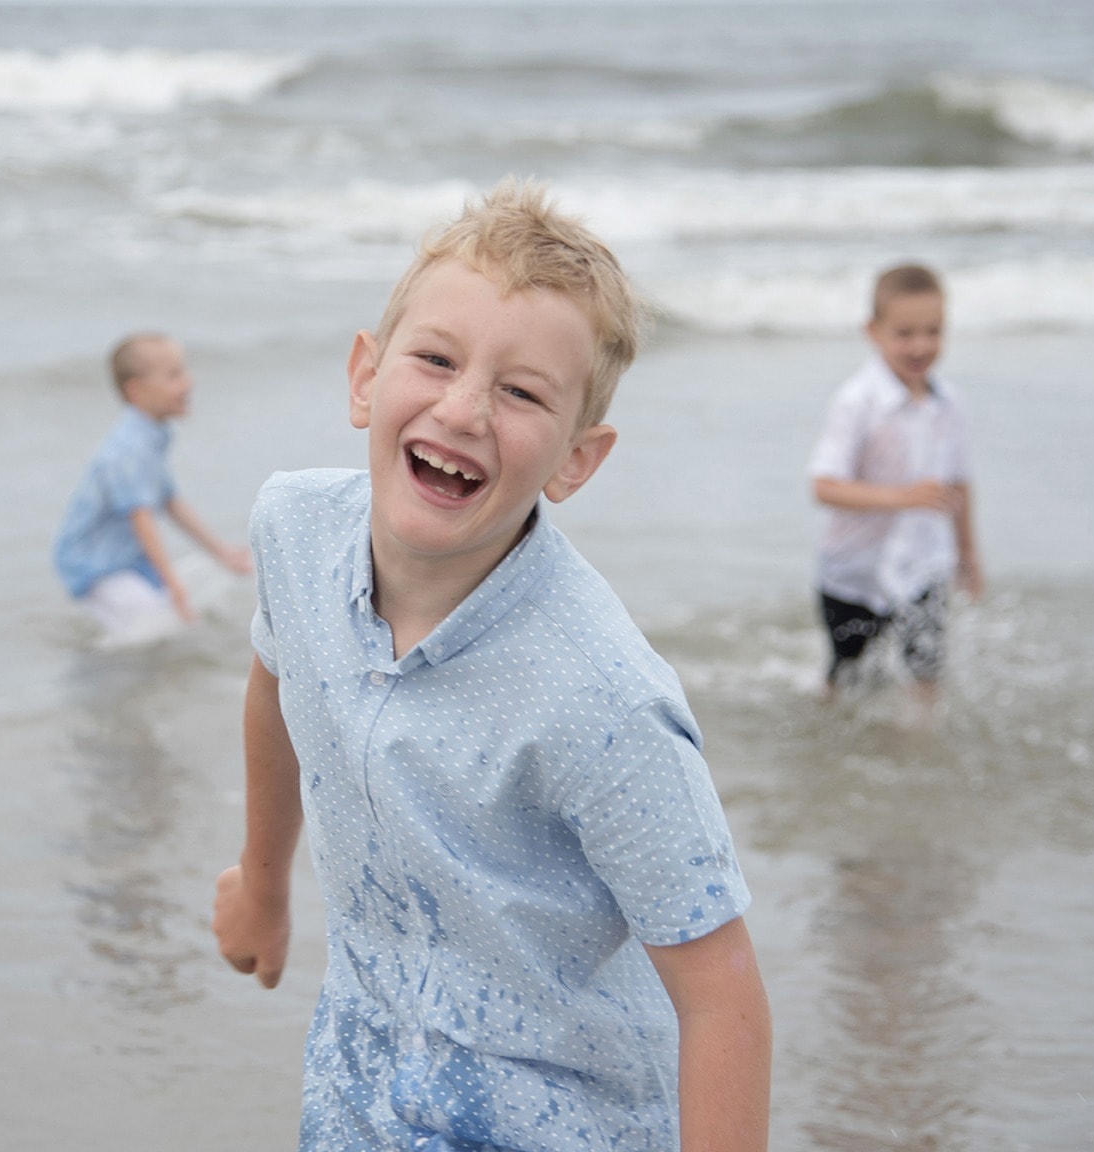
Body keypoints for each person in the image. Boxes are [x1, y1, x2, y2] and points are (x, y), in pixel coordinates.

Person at [213, 180, 771, 1151]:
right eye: (435, 360)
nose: (464, 408)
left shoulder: (600, 698)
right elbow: (279, 685)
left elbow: (724, 997)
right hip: (360, 1083)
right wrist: (264, 881)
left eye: (521, 393)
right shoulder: (294, 531)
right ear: (364, 377)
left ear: (575, 460)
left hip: (555, 1114)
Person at [808, 264, 984, 701]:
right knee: (846, 677)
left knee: (926, 674)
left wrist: (968, 554)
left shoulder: (951, 404)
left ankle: (917, 758)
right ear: (873, 331)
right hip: (854, 573)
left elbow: (959, 486)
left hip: (924, 566)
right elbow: (824, 486)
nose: (920, 345)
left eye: (933, 331)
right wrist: (904, 498)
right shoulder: (857, 401)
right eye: (905, 333)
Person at [53, 332, 253, 643]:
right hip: (95, 563)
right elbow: (142, 517)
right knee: (152, 630)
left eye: (183, 371)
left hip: (124, 556)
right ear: (136, 390)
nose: (188, 383)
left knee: (159, 625)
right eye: (173, 375)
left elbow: (170, 501)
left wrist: (221, 552)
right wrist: (173, 585)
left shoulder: (152, 434)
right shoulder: (128, 448)